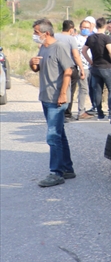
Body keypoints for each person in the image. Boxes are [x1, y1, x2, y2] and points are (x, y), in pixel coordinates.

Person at [29, 18, 75, 187]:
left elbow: (68, 71)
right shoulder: (43, 47)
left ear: (46, 33)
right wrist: (32, 64)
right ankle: (67, 168)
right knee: (59, 134)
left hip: (57, 99)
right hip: (46, 97)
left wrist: (63, 94)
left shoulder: (60, 47)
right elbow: (38, 68)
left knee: (53, 136)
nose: (34, 35)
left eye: (36, 32)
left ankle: (56, 173)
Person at [83, 18, 111, 119]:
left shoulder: (90, 38)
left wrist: (90, 62)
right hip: (106, 66)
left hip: (95, 68)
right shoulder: (106, 38)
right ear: (105, 26)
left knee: (98, 91)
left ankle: (99, 113)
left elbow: (84, 51)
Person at [56, 19, 89, 119]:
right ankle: (67, 113)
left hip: (56, 67)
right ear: (71, 29)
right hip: (70, 67)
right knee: (70, 90)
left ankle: (57, 110)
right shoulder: (71, 39)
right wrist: (81, 68)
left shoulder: (55, 36)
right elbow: (75, 55)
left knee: (58, 88)